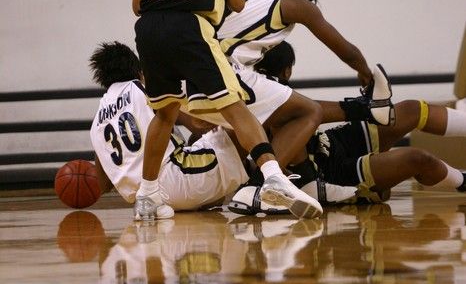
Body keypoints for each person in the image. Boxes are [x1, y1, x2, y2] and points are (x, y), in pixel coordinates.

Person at [131, 0, 323, 221]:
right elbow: (237, 1)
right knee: (237, 109)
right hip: (189, 28)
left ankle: (147, 196)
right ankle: (273, 178)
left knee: (164, 113)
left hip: (147, 29)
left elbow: (136, 4)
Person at [89, 42, 355, 213]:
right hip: (179, 180)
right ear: (138, 70)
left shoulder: (98, 120)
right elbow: (194, 121)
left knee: (230, 130)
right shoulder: (142, 89)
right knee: (254, 111)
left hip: (148, 199)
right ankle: (273, 183)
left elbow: (104, 182)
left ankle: (271, 178)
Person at [228, 42, 466, 214]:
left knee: (411, 110)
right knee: (416, 158)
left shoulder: (258, 87)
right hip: (328, 174)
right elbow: (305, 113)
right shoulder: (250, 99)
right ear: (288, 70)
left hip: (330, 143)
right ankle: (462, 181)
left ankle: (366, 110)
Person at [217, 0, 394, 126]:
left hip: (196, 59)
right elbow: (347, 52)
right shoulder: (296, 3)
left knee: (263, 113)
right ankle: (364, 110)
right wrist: (365, 74)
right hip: (222, 69)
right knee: (306, 112)